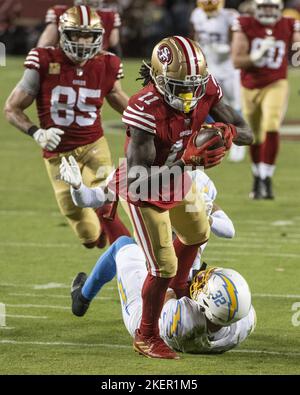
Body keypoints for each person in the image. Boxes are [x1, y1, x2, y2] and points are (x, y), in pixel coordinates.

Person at [61, 35, 253, 359]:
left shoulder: (205, 88)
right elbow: (137, 181)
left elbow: (245, 130)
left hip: (178, 177)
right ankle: (146, 335)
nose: (190, 95)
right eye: (181, 88)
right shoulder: (144, 109)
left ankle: (179, 289)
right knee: (162, 265)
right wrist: (188, 161)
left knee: (198, 233)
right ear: (160, 79)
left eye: (195, 86)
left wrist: (227, 132)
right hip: (145, 189)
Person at [4, 5, 130, 249]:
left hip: (94, 146)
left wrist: (149, 120)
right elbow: (12, 108)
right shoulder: (43, 60)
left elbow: (118, 98)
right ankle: (99, 237)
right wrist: (36, 132)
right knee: (87, 233)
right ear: (63, 34)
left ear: (98, 37)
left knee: (106, 199)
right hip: (57, 155)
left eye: (88, 36)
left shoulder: (108, 63)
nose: (83, 42)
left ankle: (129, 252)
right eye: (76, 35)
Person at [69, 236, 256, 355]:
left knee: (123, 245)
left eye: (203, 284)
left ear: (204, 306)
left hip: (146, 316)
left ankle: (81, 298)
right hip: (190, 319)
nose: (202, 279)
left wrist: (188, 246)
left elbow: (162, 286)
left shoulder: (183, 320)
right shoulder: (242, 320)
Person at [231, 0, 300, 199]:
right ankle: (257, 175)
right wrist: (256, 56)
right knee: (254, 134)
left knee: (272, 124)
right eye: (264, 7)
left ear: (279, 9)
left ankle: (266, 177)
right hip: (250, 86)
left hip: (276, 82)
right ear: (256, 9)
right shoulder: (244, 24)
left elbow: (297, 51)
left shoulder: (288, 24)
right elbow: (237, 60)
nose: (268, 11)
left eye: (272, 7)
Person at [190, 0, 246, 162]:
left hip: (229, 69)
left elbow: (237, 41)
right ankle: (209, 141)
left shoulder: (230, 16)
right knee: (206, 104)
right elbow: (194, 37)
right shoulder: (197, 14)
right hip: (210, 68)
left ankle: (237, 143)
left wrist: (226, 48)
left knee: (235, 105)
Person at [37, 0, 121, 54]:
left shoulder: (60, 12)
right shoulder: (109, 15)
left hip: (66, 58)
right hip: (96, 59)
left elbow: (47, 41)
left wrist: (37, 53)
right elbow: (113, 42)